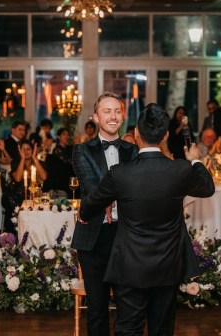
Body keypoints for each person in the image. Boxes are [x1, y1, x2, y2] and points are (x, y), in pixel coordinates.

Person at [80, 103, 215, 335]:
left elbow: (89, 206)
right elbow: (208, 187)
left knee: (129, 327)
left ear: (137, 135)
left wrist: (85, 215)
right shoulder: (181, 170)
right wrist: (195, 160)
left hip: (129, 264)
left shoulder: (120, 173)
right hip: (168, 262)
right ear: (164, 136)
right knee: (161, 327)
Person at [71, 92, 138, 336]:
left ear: (123, 116)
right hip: (93, 238)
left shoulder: (133, 151)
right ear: (96, 117)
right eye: (106, 111)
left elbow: (136, 190)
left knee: (128, 308)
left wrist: (108, 196)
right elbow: (91, 186)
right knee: (97, 309)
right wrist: (114, 194)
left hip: (127, 236)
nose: (112, 116)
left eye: (117, 111)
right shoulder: (82, 151)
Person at [44, 127, 75, 198]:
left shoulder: (70, 148)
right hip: (62, 182)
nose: (66, 136)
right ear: (59, 136)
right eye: (64, 134)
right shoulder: (57, 150)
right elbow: (69, 162)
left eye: (67, 135)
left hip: (69, 179)